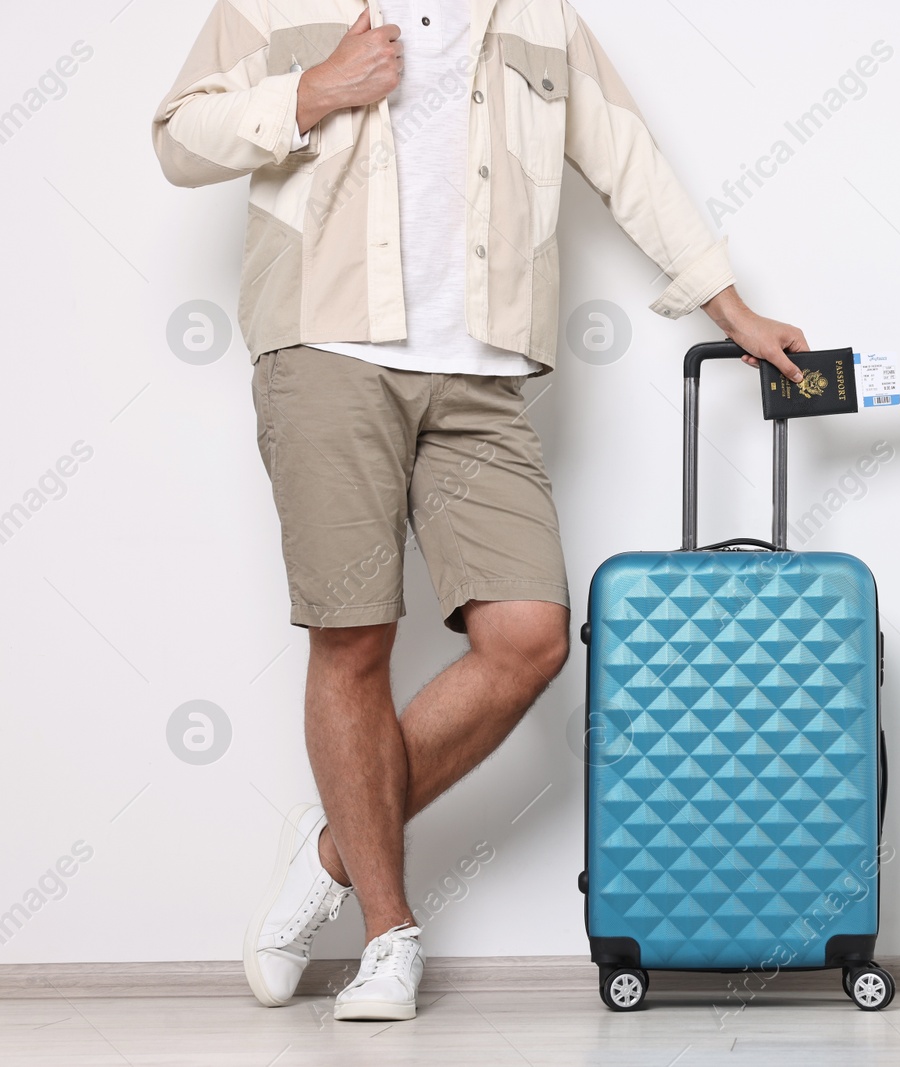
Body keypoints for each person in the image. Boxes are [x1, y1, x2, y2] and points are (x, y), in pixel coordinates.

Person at [153, 0, 809, 1022]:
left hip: (481, 371)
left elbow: (628, 159)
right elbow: (179, 135)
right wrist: (314, 89)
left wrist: (732, 306)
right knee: (355, 634)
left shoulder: (540, 16)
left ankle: (331, 846)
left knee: (529, 637)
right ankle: (387, 932)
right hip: (325, 348)